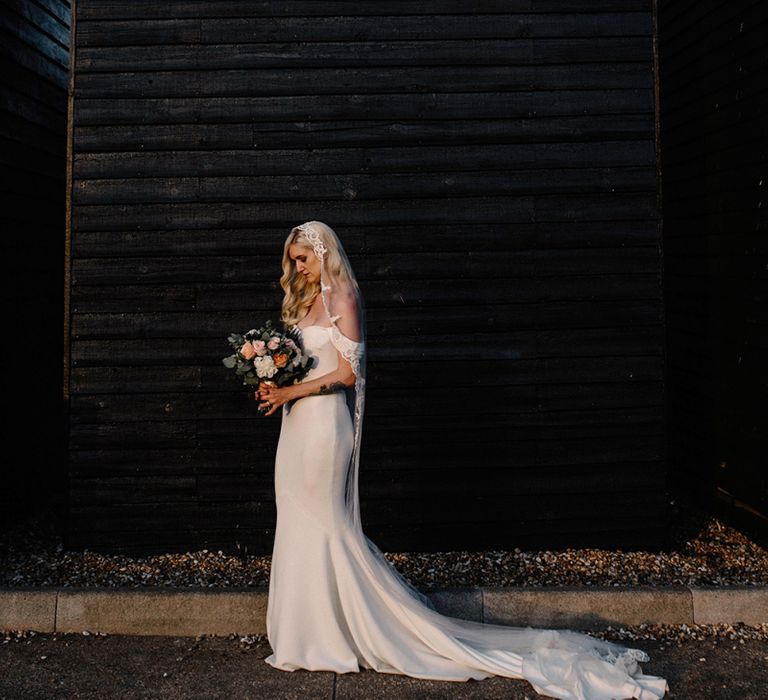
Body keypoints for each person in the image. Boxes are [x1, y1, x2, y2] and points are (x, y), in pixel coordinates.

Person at [256, 221, 669, 700]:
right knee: (296, 519)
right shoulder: (304, 301)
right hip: (295, 426)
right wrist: (272, 376)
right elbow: (303, 359)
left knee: (328, 525)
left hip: (326, 427)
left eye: (303, 258)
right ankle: (302, 630)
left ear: (323, 253)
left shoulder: (343, 298)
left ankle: (334, 634)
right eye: (294, 260)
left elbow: (348, 376)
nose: (297, 266)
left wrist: (295, 388)